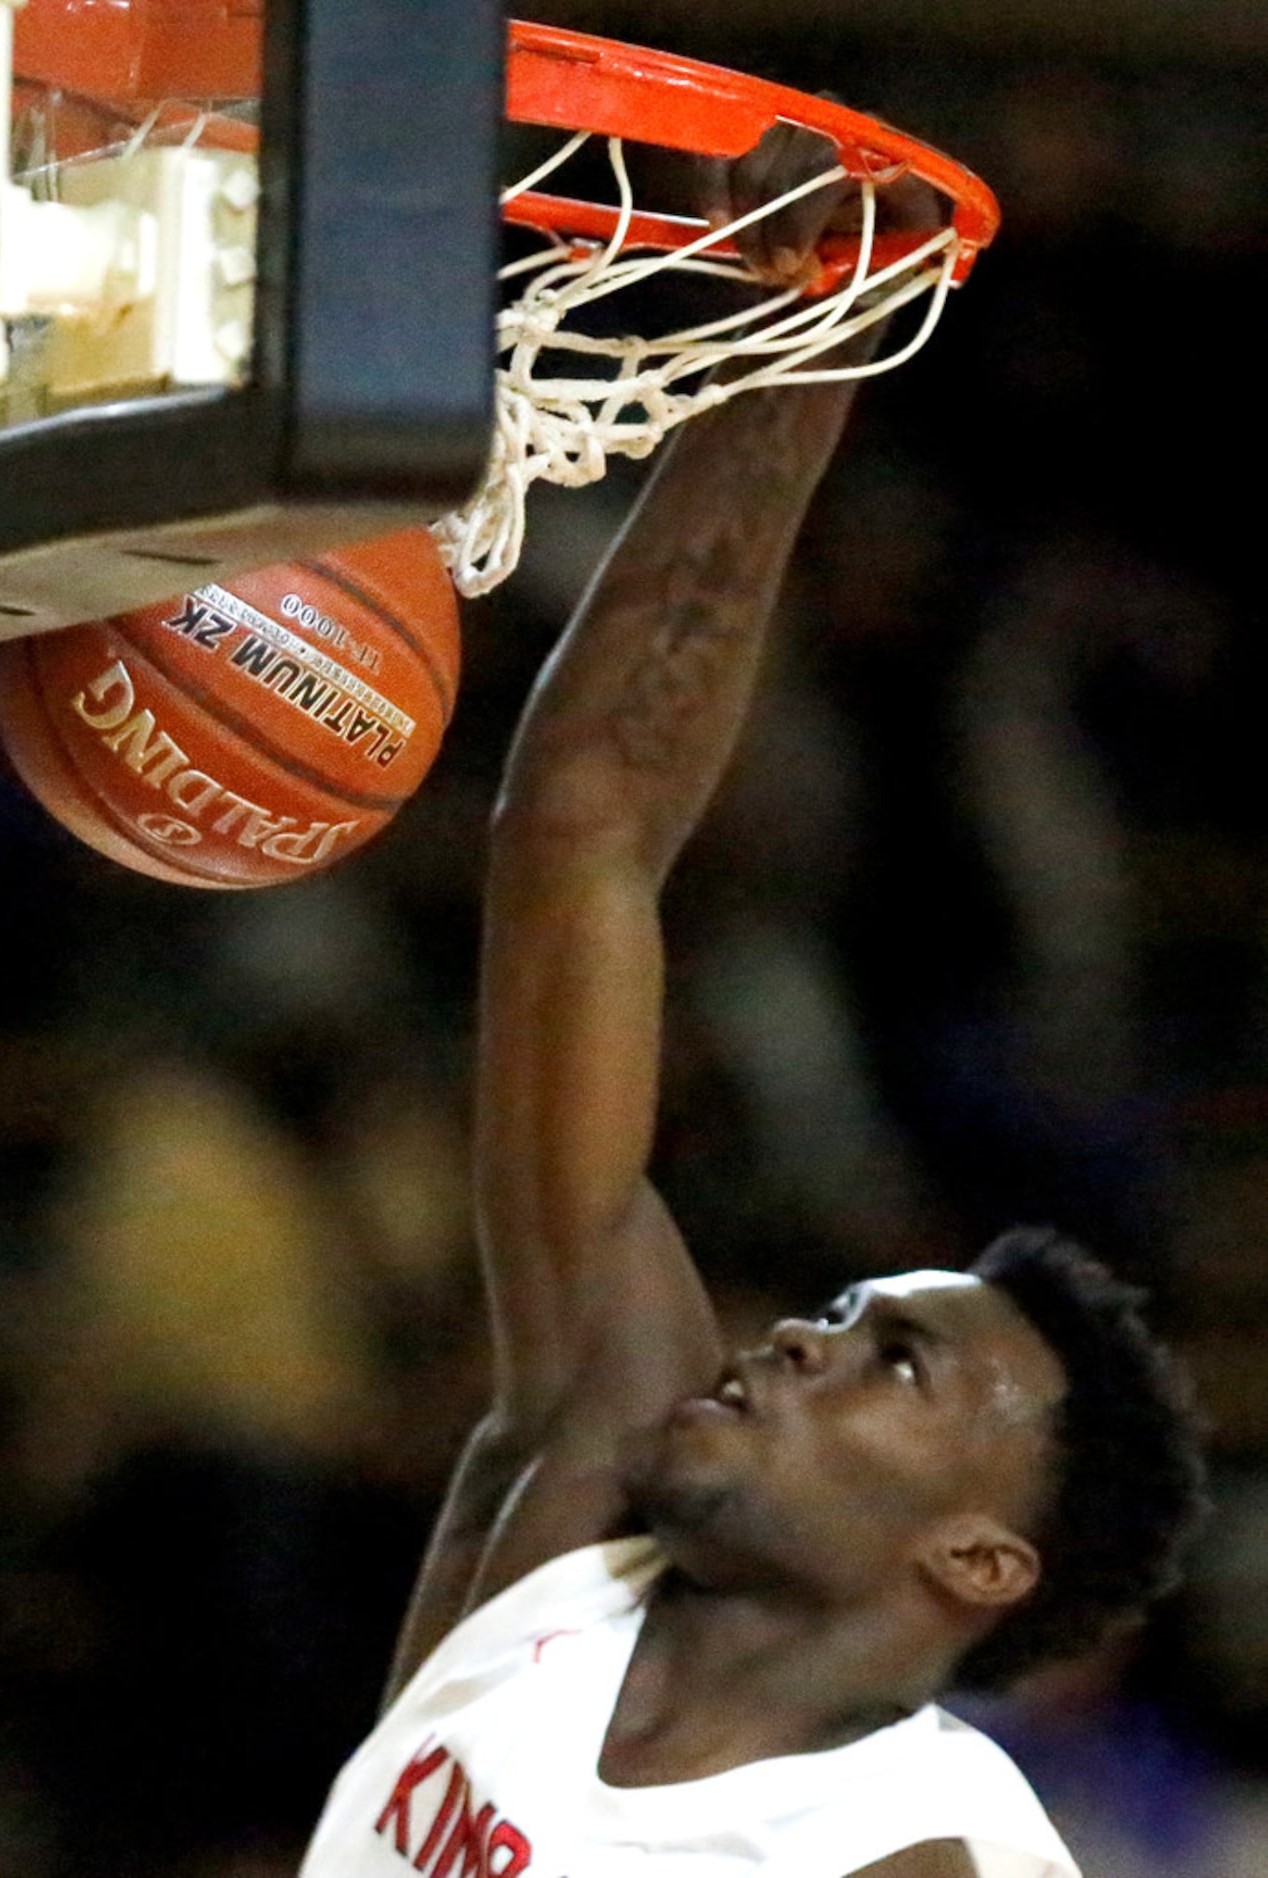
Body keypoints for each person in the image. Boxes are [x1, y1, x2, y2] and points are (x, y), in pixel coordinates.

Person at [298, 148, 1207, 1878]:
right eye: (861, 1311)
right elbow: (587, 841)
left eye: (898, 1363)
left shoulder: (922, 1850)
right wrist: (801, 360)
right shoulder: (589, 1494)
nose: (803, 1334)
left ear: (976, 1558)